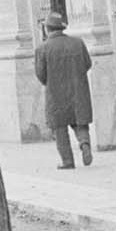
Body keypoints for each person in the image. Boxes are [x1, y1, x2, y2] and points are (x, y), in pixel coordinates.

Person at [32, 10, 94, 170]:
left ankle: (67, 161)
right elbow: (87, 64)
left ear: (47, 29)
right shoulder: (78, 43)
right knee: (80, 123)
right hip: (78, 91)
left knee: (59, 128)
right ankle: (84, 143)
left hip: (55, 94)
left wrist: (52, 81)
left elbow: (40, 74)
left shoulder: (42, 48)